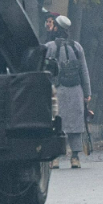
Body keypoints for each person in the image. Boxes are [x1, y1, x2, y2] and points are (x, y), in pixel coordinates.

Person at [44, 15, 91, 169]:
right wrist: (87, 93)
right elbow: (84, 71)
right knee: (76, 124)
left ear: (57, 28)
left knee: (56, 123)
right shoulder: (77, 47)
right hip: (76, 90)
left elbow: (44, 70)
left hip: (57, 91)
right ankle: (75, 158)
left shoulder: (49, 47)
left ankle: (55, 158)